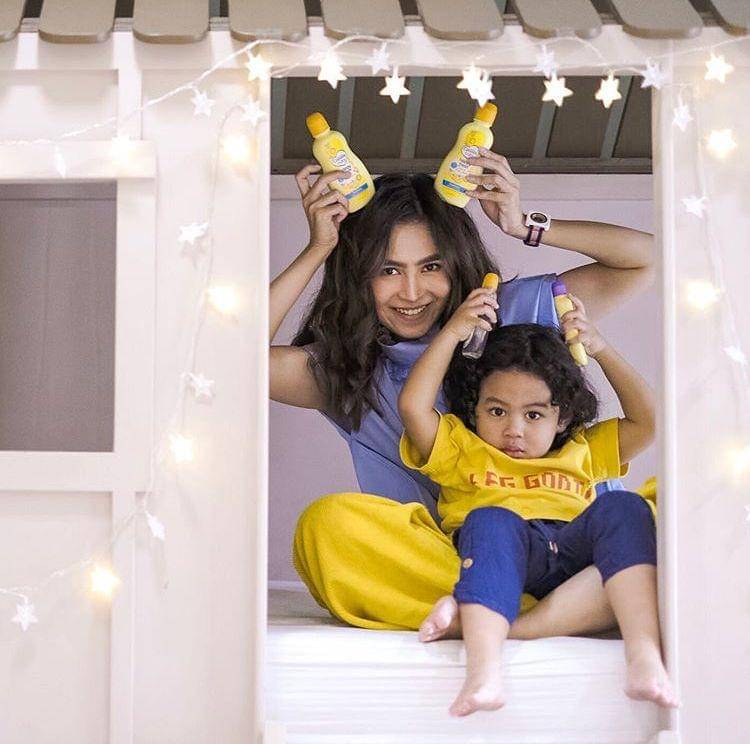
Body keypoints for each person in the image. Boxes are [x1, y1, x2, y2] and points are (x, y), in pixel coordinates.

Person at [271, 148, 656, 637]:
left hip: (574, 549)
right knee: (327, 527)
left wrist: (524, 225)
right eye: (388, 270)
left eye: (431, 266)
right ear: (358, 276)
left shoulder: (512, 310)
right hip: (463, 559)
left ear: (457, 264)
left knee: (659, 512)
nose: (412, 292)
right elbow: (236, 362)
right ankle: (546, 610)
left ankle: (500, 612)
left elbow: (644, 259)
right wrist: (320, 248)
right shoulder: (348, 367)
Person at [397, 293, 677, 716]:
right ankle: (484, 674)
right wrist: (453, 333)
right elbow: (412, 406)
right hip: (501, 552)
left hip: (573, 553)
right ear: (475, 409)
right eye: (497, 411)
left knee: (627, 507)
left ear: (561, 418)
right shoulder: (461, 448)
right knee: (489, 519)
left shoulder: (582, 448)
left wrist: (599, 348)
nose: (514, 430)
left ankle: (643, 655)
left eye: (533, 415)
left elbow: (651, 420)